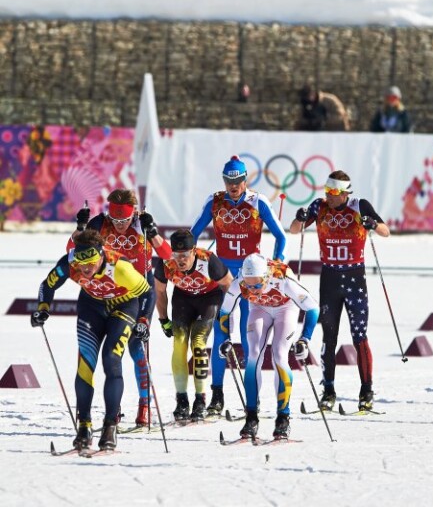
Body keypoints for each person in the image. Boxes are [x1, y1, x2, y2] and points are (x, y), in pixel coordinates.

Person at [33, 229, 153, 451]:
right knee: (85, 364)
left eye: (90, 262)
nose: (86, 268)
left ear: (101, 255)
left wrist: (144, 321)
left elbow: (147, 293)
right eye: (81, 263)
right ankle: (84, 427)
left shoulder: (120, 268)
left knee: (111, 359)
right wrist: (43, 308)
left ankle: (110, 426)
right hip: (92, 307)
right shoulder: (70, 263)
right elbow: (47, 284)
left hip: (123, 306)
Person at [191, 156, 286, 416]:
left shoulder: (258, 201)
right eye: (228, 181)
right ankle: (217, 395)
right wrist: (194, 259)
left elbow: (281, 236)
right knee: (220, 333)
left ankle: (251, 397)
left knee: (248, 336)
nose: (233, 186)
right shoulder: (215, 201)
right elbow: (193, 234)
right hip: (222, 275)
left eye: (238, 181)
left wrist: (276, 262)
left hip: (249, 276)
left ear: (245, 180)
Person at [289, 170, 390, 411]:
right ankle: (328, 391)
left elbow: (386, 231)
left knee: (359, 336)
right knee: (329, 336)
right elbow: (294, 230)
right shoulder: (319, 206)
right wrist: (299, 218)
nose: (329, 196)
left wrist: (373, 224)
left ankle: (366, 391)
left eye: (334, 192)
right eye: (327, 191)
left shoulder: (359, 206)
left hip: (355, 280)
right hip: (330, 280)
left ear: (345, 193)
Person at [70, 189, 171, 427]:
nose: (120, 225)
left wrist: (153, 233)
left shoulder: (141, 223)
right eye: (115, 221)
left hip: (137, 292)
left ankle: (144, 405)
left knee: (136, 346)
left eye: (124, 220)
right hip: (108, 291)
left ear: (132, 214)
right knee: (112, 356)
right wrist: (81, 227)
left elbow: (167, 255)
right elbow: (73, 249)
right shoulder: (99, 223)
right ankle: (113, 410)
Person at [226, 253, 320, 440]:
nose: (252, 290)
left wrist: (305, 339)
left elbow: (312, 308)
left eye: (257, 285)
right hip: (259, 309)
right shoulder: (239, 280)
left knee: (279, 354)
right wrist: (225, 338)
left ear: (267, 277)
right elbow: (225, 310)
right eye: (248, 286)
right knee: (253, 354)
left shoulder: (282, 278)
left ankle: (283, 417)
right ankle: (251, 416)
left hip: (285, 309)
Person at [154, 230, 233, 422]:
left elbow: (228, 284)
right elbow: (160, 291)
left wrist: (224, 312)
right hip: (183, 299)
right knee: (179, 343)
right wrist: (163, 319)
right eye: (176, 255)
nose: (180, 260)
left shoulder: (208, 260)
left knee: (198, 344)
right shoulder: (166, 262)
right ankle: (182, 400)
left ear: (194, 251)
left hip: (209, 299)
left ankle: (200, 399)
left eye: (185, 255)